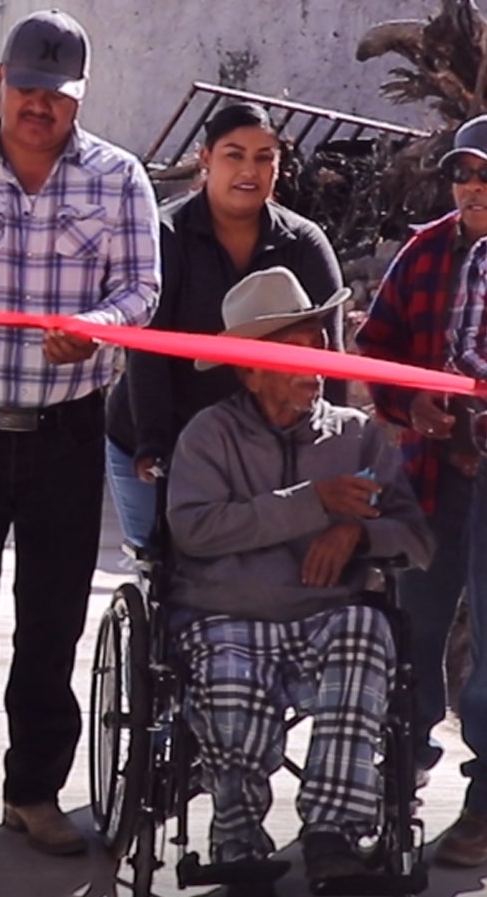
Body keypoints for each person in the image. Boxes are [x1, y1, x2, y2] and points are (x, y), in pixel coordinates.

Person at [0, 8, 161, 857]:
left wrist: (98, 325)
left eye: (59, 92)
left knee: (51, 623)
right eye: (29, 87)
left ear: (79, 97)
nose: (41, 105)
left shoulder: (119, 180)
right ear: (2, 81)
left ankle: (35, 792)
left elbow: (142, 291)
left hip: (68, 436)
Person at [168, 267, 432, 883]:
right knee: (226, 679)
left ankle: (332, 833)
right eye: (292, 355)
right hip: (228, 615)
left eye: (317, 350)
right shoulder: (209, 437)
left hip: (325, 615)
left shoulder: (358, 436)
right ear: (249, 368)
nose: (312, 369)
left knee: (367, 633)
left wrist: (357, 532)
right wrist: (313, 503)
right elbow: (195, 530)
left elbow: (414, 539)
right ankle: (238, 836)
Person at [105, 102, 345, 549]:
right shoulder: (165, 235)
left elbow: (330, 358)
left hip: (269, 445)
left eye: (263, 157)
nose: (248, 170)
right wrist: (154, 445)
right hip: (162, 434)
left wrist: (330, 450)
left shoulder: (306, 243)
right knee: (167, 571)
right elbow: (149, 349)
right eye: (234, 155)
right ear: (205, 158)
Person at [357, 114, 487, 868]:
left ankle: (483, 800)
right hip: (430, 475)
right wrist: (411, 406)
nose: (470, 187)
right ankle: (400, 769)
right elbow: (376, 347)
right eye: (461, 174)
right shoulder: (427, 249)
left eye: (484, 175)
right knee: (414, 630)